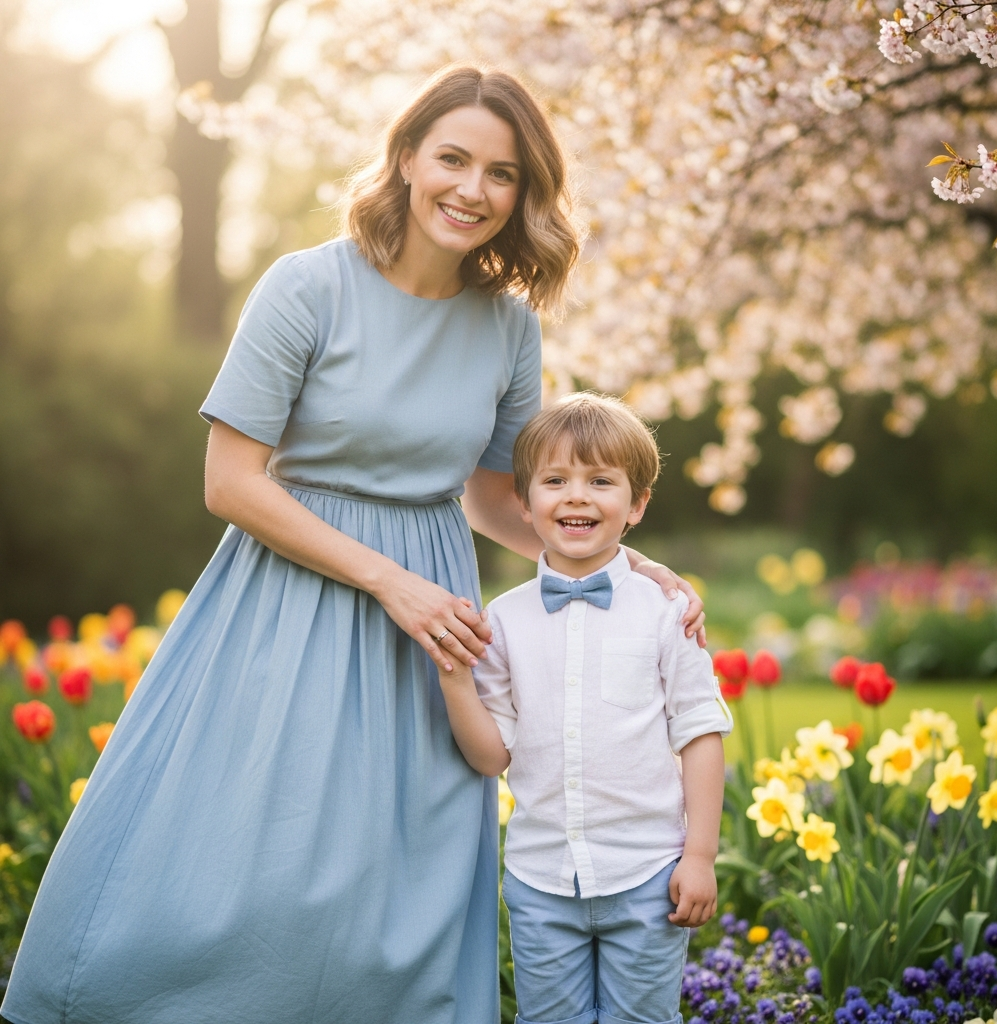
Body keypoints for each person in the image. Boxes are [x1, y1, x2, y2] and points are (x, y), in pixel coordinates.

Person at [1, 67, 705, 1024]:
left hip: (428, 630)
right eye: (452, 158)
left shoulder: (507, 327)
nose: (472, 189)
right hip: (288, 596)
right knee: (250, 850)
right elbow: (231, 481)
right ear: (407, 157)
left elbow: (500, 502)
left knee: (400, 869)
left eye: (501, 173)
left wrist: (628, 564)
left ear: (524, 193)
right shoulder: (307, 286)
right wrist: (389, 583)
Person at [437, 392, 733, 1024]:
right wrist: (457, 681)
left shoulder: (665, 612)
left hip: (649, 875)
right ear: (523, 501)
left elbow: (701, 733)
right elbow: (492, 757)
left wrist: (700, 855)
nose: (576, 496)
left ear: (637, 505)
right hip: (542, 881)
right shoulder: (503, 621)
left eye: (601, 481)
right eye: (555, 480)